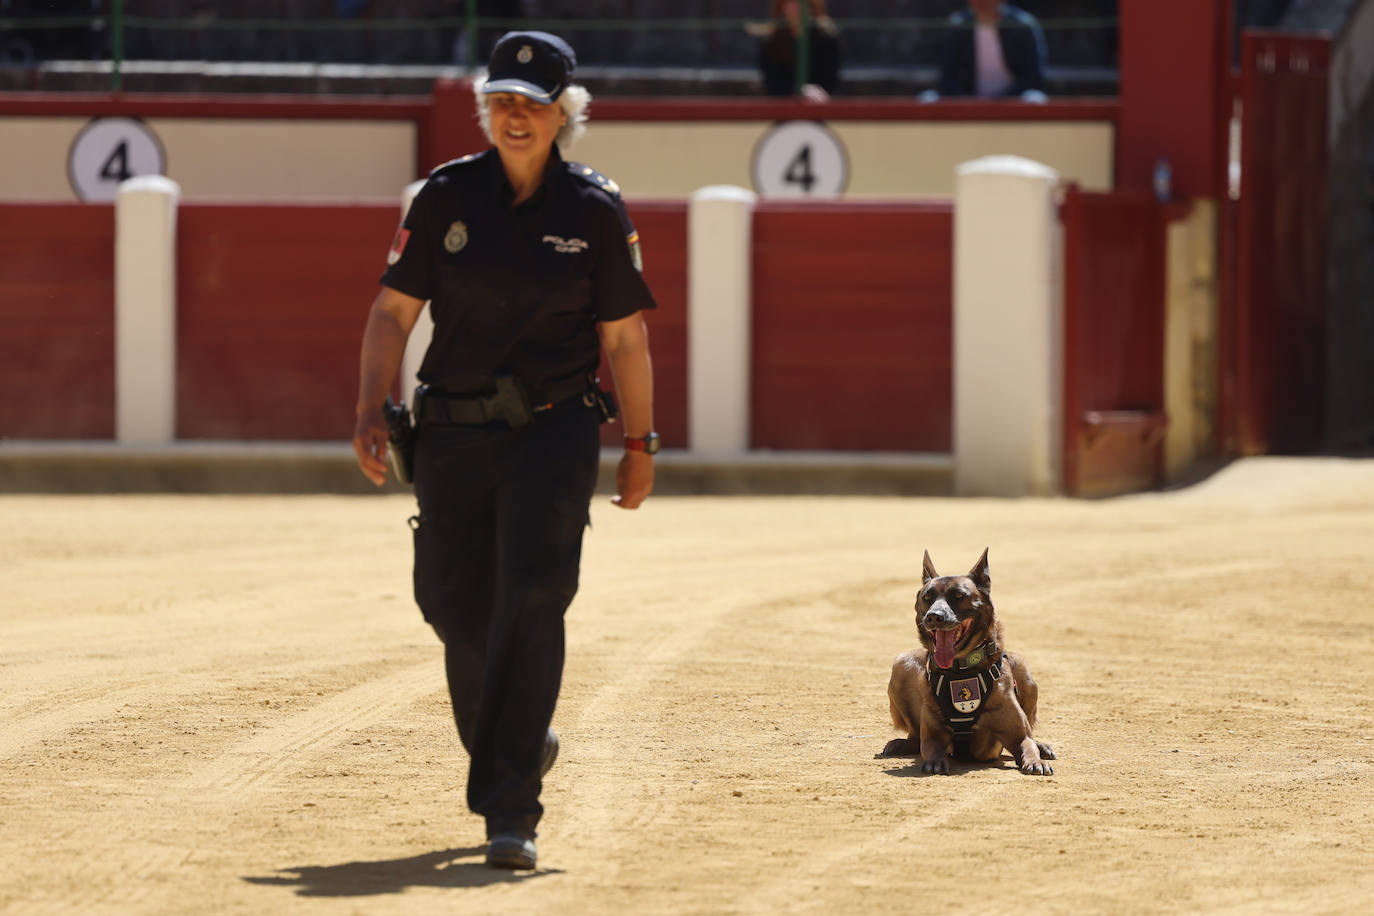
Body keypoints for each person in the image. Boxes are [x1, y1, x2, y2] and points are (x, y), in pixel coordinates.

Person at [350, 30, 658, 871]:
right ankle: (522, 738)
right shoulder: (447, 197)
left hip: (555, 431)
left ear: (564, 114)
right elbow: (391, 315)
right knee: (454, 608)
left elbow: (625, 342)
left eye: (531, 104)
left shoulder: (594, 211)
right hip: (451, 432)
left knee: (531, 596)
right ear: (486, 111)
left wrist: (639, 443)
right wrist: (372, 407)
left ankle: (510, 807)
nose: (514, 117)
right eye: (501, 103)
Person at [922, 0, 1049, 102]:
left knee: (1034, 99)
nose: (980, 2)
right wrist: (967, 100)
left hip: (1013, 101)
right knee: (927, 99)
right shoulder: (958, 26)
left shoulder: (1023, 26)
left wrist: (999, 101)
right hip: (968, 101)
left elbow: (1033, 77)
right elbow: (948, 77)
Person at [756, 0, 841, 101]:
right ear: (782, 6)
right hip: (784, 108)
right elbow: (772, 83)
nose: (798, 7)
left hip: (817, 106)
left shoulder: (827, 39)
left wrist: (813, 92)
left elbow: (829, 80)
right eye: (792, 2)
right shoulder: (771, 42)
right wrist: (797, 92)